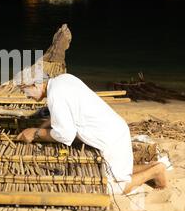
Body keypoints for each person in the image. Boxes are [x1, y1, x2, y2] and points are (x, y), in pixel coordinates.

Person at [16, 73, 168, 195]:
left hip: (110, 139)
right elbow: (62, 113)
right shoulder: (62, 80)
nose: (27, 96)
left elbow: (66, 135)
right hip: (115, 129)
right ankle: (154, 166)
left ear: (35, 84)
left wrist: (36, 133)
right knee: (118, 171)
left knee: (112, 187)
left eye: (26, 91)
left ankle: (155, 171)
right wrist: (42, 126)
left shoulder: (55, 95)